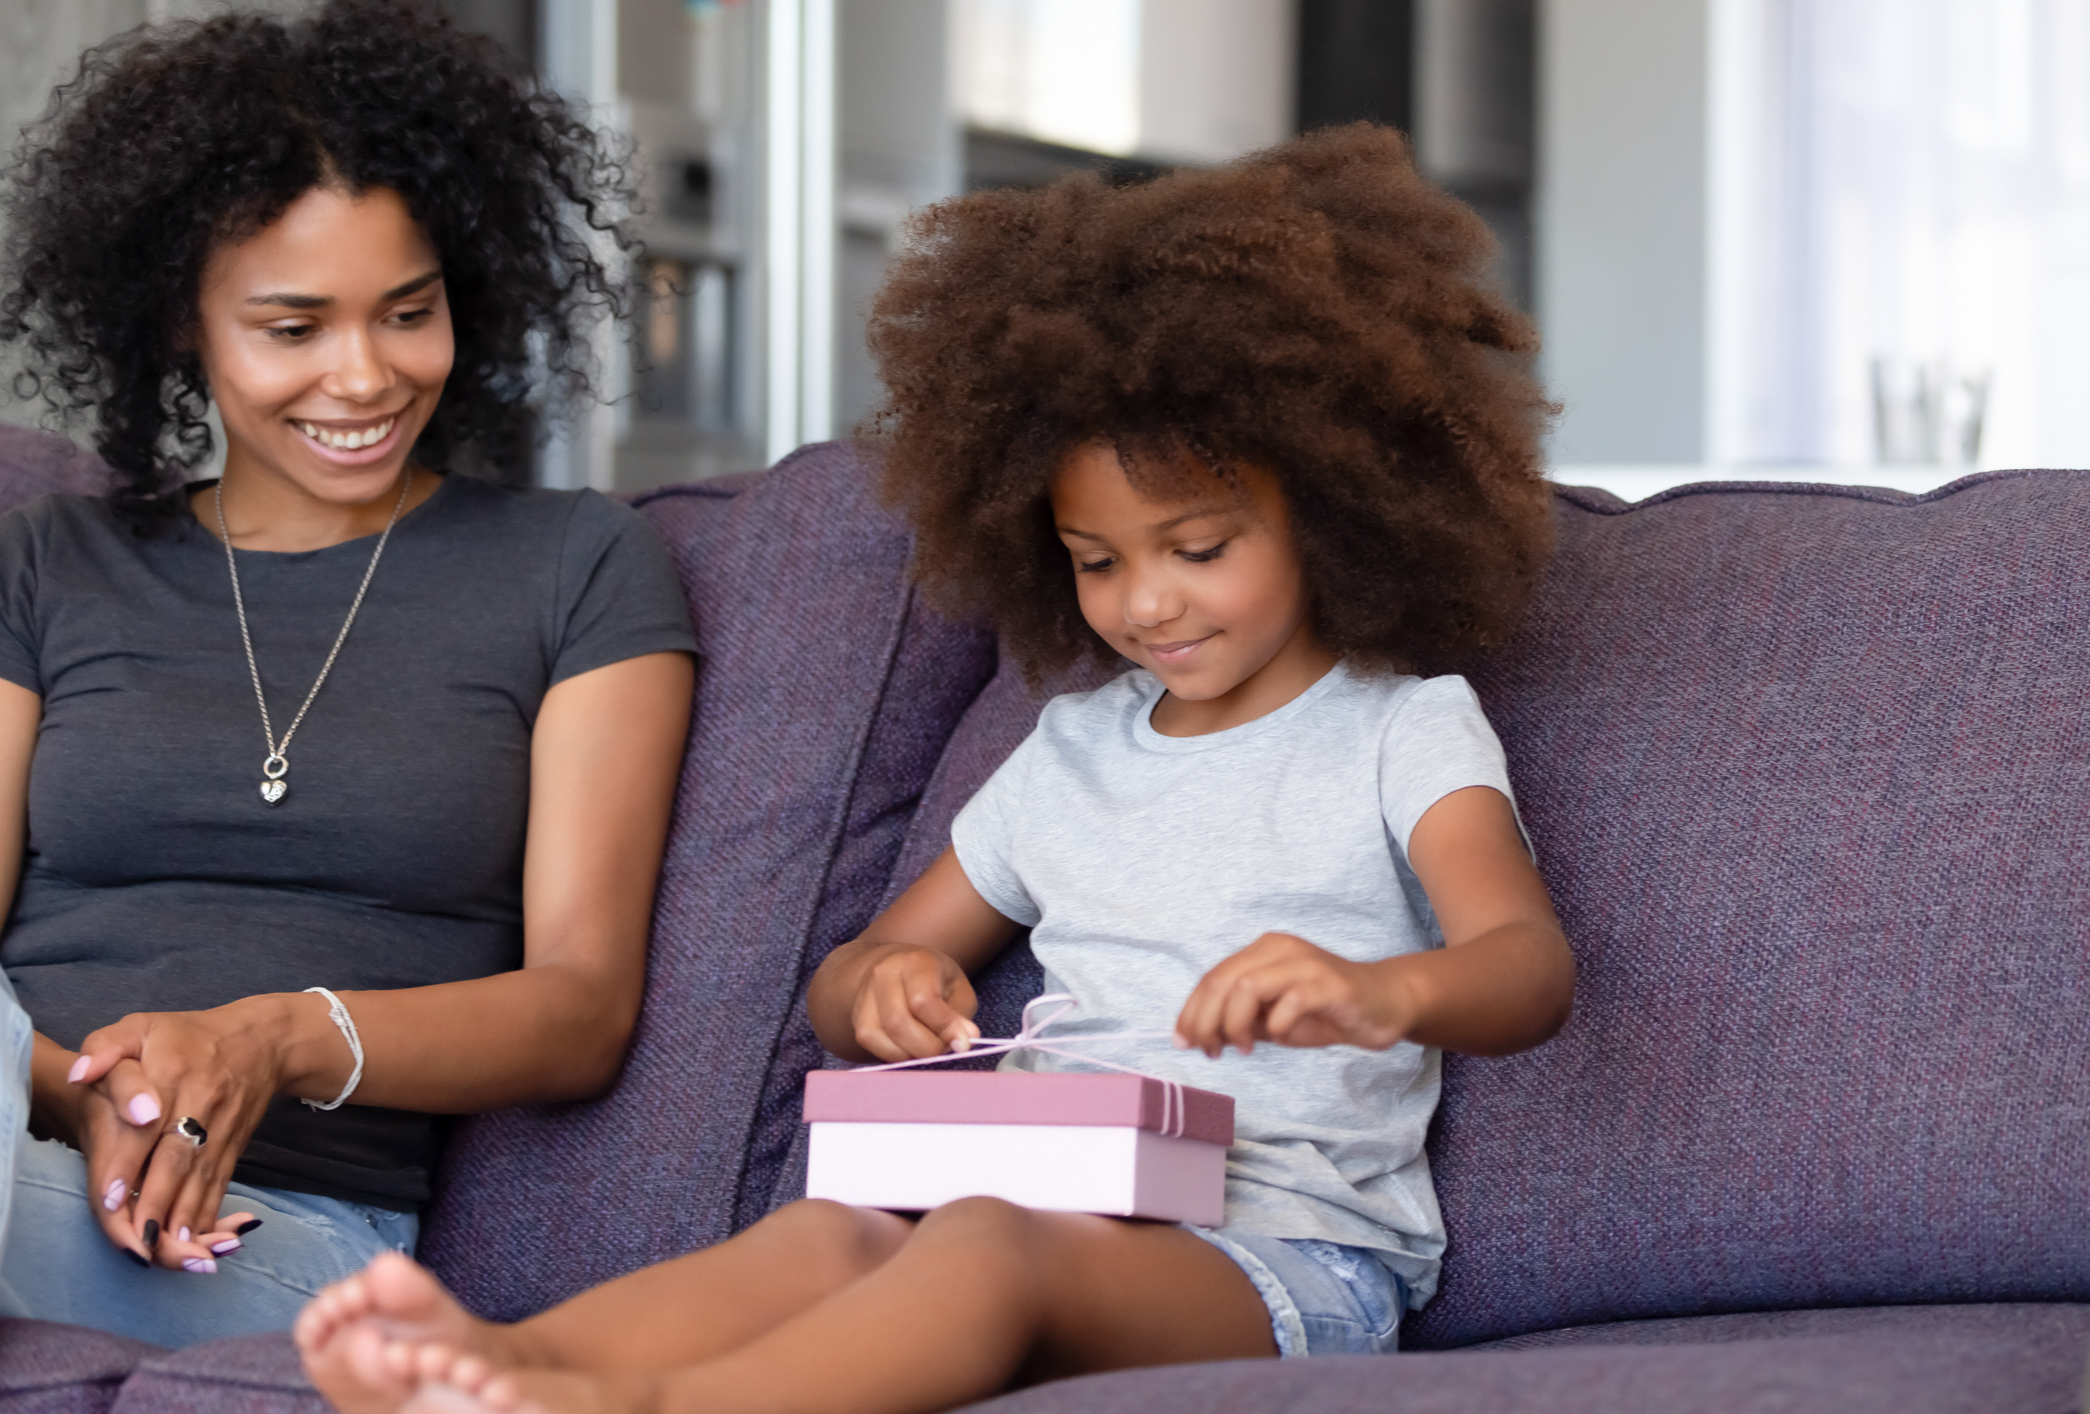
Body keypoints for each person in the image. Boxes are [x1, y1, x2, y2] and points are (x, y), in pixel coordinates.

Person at [294, 123, 1572, 1414]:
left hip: (1286, 1258)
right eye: (1097, 560)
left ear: (1334, 508)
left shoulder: (1400, 729)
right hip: (1051, 1193)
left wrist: (1378, 992)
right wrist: (882, 986)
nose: (1146, 603)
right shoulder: (1071, 751)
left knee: (981, 1241)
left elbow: (1525, 967)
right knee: (826, 1229)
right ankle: (508, 1363)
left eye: (1198, 547)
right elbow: (855, 973)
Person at [0, 0, 695, 1352]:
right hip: (13, 1138)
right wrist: (95, 1096)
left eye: (407, 313)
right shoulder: (43, 565)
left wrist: (274, 1040)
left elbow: (582, 1007)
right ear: (181, 323)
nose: (364, 377)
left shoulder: (576, 567)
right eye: (292, 327)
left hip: (274, 1235)